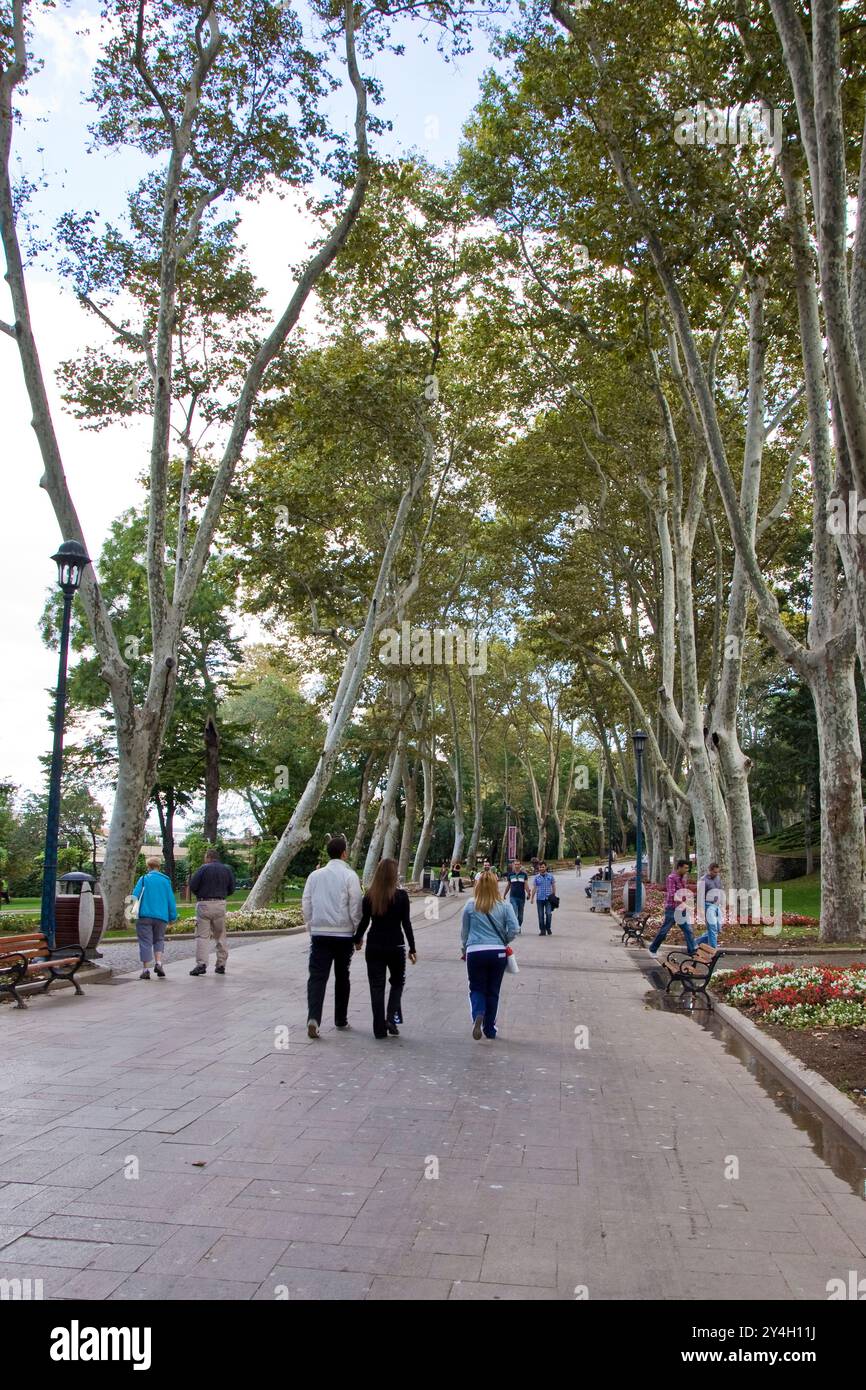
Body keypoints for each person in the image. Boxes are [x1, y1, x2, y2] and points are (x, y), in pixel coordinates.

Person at [302, 834, 363, 1038]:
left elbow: (307, 903)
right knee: (342, 975)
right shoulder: (350, 876)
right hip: (343, 934)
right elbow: (355, 905)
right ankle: (340, 1018)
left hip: (320, 933)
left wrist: (311, 925)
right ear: (344, 853)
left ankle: (314, 1017)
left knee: (317, 977)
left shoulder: (315, 876)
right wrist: (357, 930)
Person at [354, 857, 416, 1039]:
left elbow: (364, 922)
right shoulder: (402, 897)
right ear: (393, 875)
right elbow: (406, 924)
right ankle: (390, 1017)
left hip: (374, 946)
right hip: (396, 946)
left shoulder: (370, 896)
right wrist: (412, 948)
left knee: (376, 987)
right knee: (397, 983)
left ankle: (379, 1029)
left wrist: (357, 939)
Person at [460, 868, 518, 1040]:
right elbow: (515, 928)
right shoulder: (504, 905)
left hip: (475, 951)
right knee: (493, 991)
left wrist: (464, 949)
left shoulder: (471, 904)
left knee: (476, 987)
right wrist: (504, 941)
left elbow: (464, 931)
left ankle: (478, 1013)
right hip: (497, 952)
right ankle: (490, 1028)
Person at [188, 847, 236, 977]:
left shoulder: (203, 869)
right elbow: (232, 888)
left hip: (204, 903)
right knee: (220, 934)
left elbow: (193, 885)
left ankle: (201, 964)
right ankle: (221, 964)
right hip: (220, 903)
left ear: (208, 857)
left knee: (202, 936)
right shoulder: (227, 869)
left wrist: (200, 894)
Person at [131, 857, 177, 980]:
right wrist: (172, 916)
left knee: (145, 942)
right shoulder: (165, 881)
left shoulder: (144, 879)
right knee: (159, 939)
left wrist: (131, 912)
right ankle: (159, 963)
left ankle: (145, 969)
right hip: (161, 916)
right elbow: (170, 900)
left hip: (144, 915)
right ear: (159, 866)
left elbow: (135, 896)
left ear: (148, 867)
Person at [648, 859, 696, 958]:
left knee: (688, 930)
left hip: (682, 909)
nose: (687, 870)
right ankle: (653, 949)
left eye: (688, 868)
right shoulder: (671, 878)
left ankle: (692, 951)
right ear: (679, 867)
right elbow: (672, 893)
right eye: (685, 868)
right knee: (664, 930)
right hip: (672, 909)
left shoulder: (683, 878)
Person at [695, 862, 724, 949]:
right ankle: (713, 949)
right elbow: (700, 895)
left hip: (717, 905)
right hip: (707, 905)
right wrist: (700, 909)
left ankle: (696, 942)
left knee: (718, 929)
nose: (716, 874)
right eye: (715, 872)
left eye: (717, 872)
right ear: (710, 870)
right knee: (712, 928)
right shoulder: (703, 880)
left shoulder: (718, 878)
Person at [503, 858, 529, 932]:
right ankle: (515, 928)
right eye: (515, 864)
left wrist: (529, 893)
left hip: (521, 897)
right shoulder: (510, 875)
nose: (517, 866)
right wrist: (504, 894)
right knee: (514, 912)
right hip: (513, 896)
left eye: (518, 864)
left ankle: (518, 926)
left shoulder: (524, 875)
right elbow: (508, 885)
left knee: (520, 916)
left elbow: (526, 885)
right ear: (513, 865)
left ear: (520, 865)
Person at [531, 861, 556, 935]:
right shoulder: (536, 877)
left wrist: (554, 896)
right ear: (538, 868)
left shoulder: (550, 876)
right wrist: (532, 898)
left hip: (548, 898)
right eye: (540, 867)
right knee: (540, 915)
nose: (541, 868)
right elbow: (534, 888)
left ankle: (548, 927)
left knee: (548, 914)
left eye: (543, 867)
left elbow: (553, 886)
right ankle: (542, 930)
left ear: (546, 867)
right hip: (539, 898)